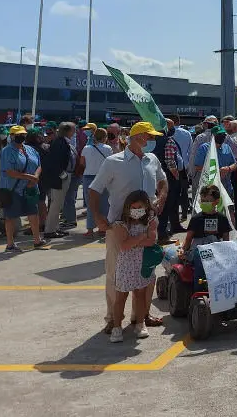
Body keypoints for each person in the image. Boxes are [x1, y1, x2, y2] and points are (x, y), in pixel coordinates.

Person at [89, 121, 168, 336]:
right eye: (148, 136)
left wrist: (161, 199)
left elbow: (163, 182)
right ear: (137, 137)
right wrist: (97, 217)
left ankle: (141, 316)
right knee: (115, 273)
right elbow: (94, 190)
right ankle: (113, 319)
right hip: (120, 227)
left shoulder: (152, 159)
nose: (152, 141)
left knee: (147, 271)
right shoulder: (113, 162)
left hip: (148, 225)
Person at [109, 190, 158, 343]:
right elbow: (124, 245)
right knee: (121, 297)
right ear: (127, 208)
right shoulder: (120, 224)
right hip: (125, 266)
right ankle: (116, 327)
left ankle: (140, 323)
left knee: (140, 294)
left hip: (141, 264)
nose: (136, 210)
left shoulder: (151, 220)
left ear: (146, 207)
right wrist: (143, 236)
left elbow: (152, 241)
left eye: (140, 207)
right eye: (133, 207)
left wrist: (134, 240)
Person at [0, 126, 49, 252]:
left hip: (30, 189)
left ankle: (37, 240)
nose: (21, 137)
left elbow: (39, 165)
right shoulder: (7, 151)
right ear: (12, 136)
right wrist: (29, 177)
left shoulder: (30, 149)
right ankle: (10, 244)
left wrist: (35, 177)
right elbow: (9, 171)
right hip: (13, 189)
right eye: (17, 135)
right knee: (11, 216)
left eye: (23, 134)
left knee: (33, 213)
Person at [183, 184, 232, 288]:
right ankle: (198, 292)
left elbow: (226, 240)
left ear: (217, 201)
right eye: (203, 201)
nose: (204, 203)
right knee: (200, 257)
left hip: (216, 249)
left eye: (207, 201)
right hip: (198, 250)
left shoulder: (222, 218)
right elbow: (188, 238)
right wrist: (184, 252)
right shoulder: (196, 219)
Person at [41, 122, 78, 239]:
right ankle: (50, 230)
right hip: (60, 178)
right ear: (67, 131)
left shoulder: (63, 142)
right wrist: (63, 175)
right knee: (55, 205)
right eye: (73, 129)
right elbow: (55, 162)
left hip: (64, 176)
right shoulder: (59, 143)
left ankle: (55, 228)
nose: (75, 131)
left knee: (58, 204)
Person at [81, 128, 113, 238]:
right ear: (105, 138)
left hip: (88, 177)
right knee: (104, 203)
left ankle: (90, 229)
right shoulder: (108, 148)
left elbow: (82, 163)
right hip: (103, 177)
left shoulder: (86, 148)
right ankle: (102, 228)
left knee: (91, 204)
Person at [194, 126, 237, 197]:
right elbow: (198, 167)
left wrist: (228, 168)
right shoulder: (204, 148)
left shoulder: (227, 147)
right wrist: (217, 171)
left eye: (223, 135)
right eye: (219, 135)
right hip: (210, 189)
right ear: (212, 135)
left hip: (226, 188)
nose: (222, 137)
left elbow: (235, 164)